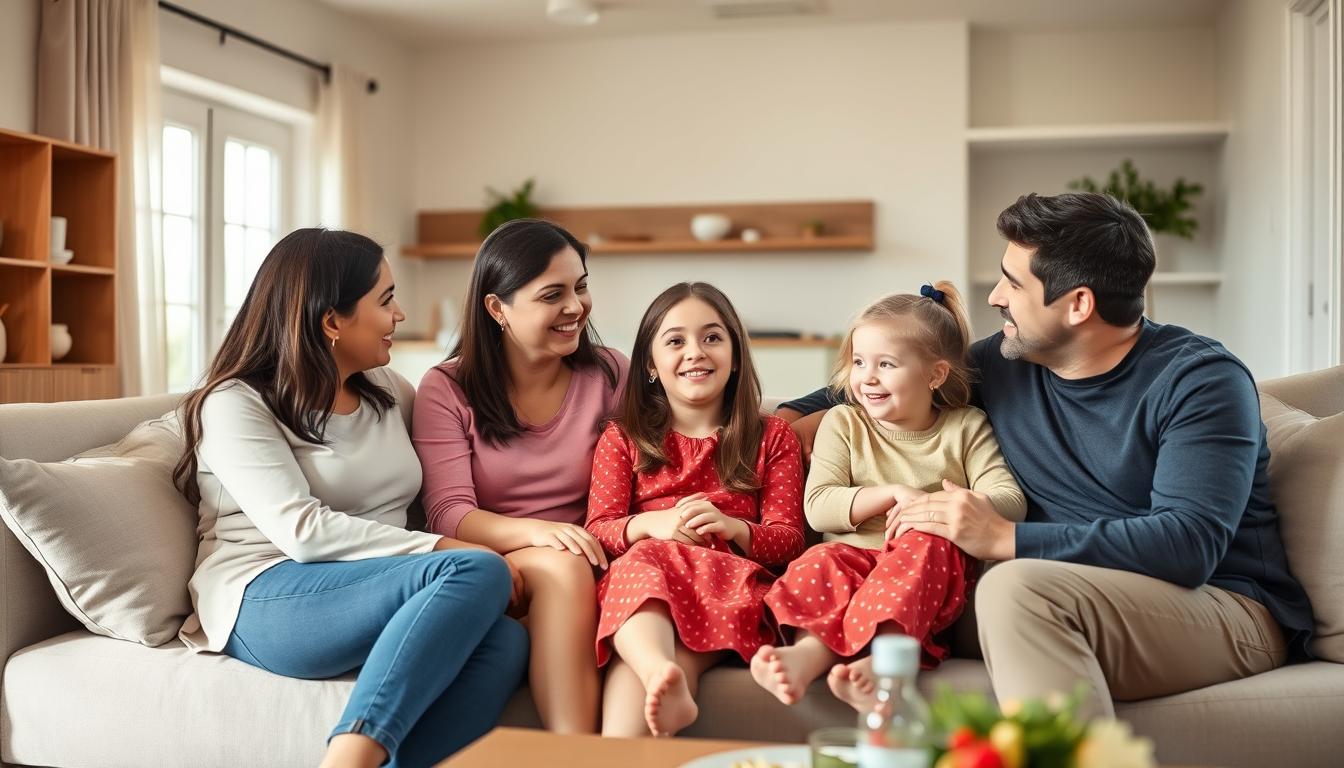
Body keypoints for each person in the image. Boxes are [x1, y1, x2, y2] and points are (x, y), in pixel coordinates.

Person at [776, 192, 1314, 719]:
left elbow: (1189, 545)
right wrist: (766, 428)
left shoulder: (1200, 381)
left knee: (1012, 584)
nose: (994, 298)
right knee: (894, 573)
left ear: (1078, 304)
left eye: (1013, 282)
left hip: (1217, 606)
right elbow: (872, 381)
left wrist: (1004, 538)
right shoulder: (1007, 362)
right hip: (1060, 591)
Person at [174, 229, 527, 768]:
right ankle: (347, 759)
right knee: (476, 572)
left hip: (372, 590)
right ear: (332, 321)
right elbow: (304, 532)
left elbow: (450, 475)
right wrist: (449, 552)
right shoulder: (237, 403)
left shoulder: (388, 392)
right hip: (265, 593)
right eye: (385, 301)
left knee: (504, 641)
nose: (400, 315)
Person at [752, 282, 1025, 712]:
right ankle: (809, 654)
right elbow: (819, 506)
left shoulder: (965, 427)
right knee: (819, 561)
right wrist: (893, 494)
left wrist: (942, 508)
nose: (867, 377)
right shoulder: (843, 423)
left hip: (923, 569)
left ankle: (887, 660)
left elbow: (1010, 499)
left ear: (934, 375)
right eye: (859, 362)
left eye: (887, 364)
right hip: (853, 558)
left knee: (929, 542)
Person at [412, 218, 627, 734]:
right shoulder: (446, 388)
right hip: (501, 562)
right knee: (562, 565)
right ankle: (575, 755)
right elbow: (449, 514)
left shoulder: (610, 373)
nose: (575, 307)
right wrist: (540, 533)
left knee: (576, 565)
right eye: (553, 294)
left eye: (581, 286)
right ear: (496, 308)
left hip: (599, 551)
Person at [585, 282, 806, 738]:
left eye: (712, 337)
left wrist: (736, 529)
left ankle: (658, 672)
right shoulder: (623, 438)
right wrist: (653, 525)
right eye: (675, 340)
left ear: (735, 353)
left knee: (651, 672)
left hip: (729, 583)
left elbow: (789, 539)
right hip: (649, 586)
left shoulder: (772, 437)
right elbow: (599, 529)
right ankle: (661, 672)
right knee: (644, 570)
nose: (695, 352)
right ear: (650, 363)